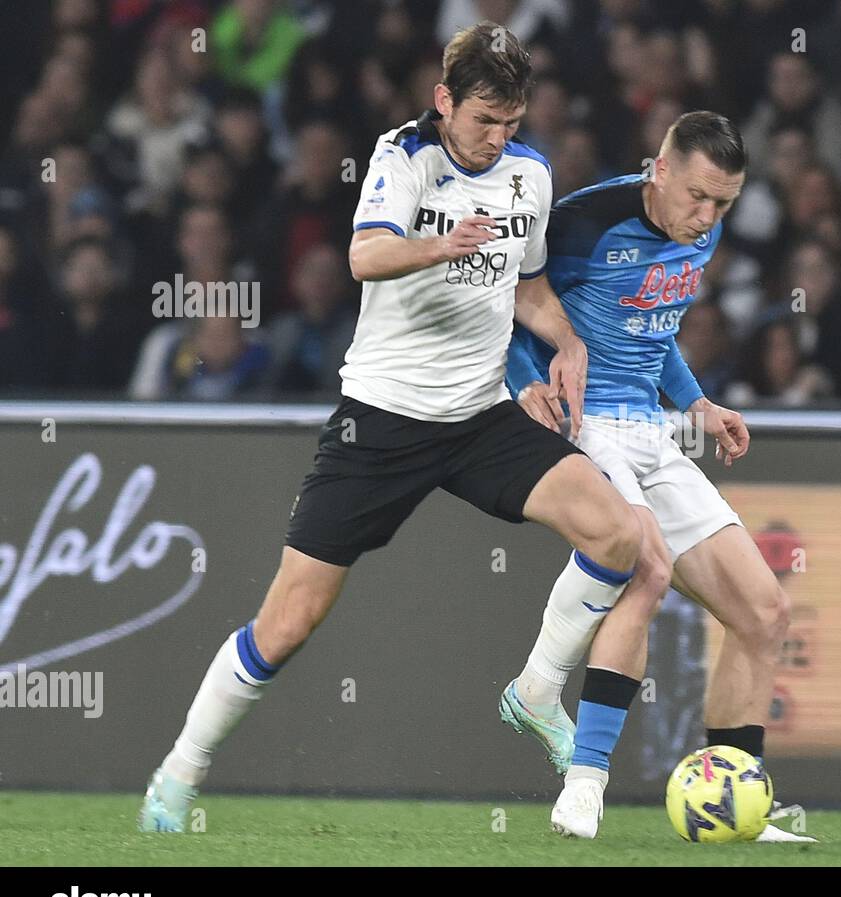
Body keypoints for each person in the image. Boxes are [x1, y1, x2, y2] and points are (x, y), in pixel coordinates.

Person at [138, 22, 644, 832]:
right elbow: (365, 256)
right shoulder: (403, 156)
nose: (496, 138)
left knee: (618, 535)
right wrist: (440, 246)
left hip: (480, 414)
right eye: (483, 119)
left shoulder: (530, 175)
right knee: (290, 621)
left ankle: (536, 691)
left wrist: (570, 343)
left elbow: (530, 284)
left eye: (511, 122)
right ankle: (178, 772)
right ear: (444, 101)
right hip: (380, 420)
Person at [503, 111, 811, 842]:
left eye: (724, 205)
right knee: (648, 571)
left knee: (763, 612)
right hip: (587, 423)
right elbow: (511, 313)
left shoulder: (699, 229)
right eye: (698, 196)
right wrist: (524, 384)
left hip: (654, 430)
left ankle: (734, 798)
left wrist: (697, 402)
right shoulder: (582, 223)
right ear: (660, 170)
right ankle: (584, 783)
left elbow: (655, 327)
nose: (707, 218)